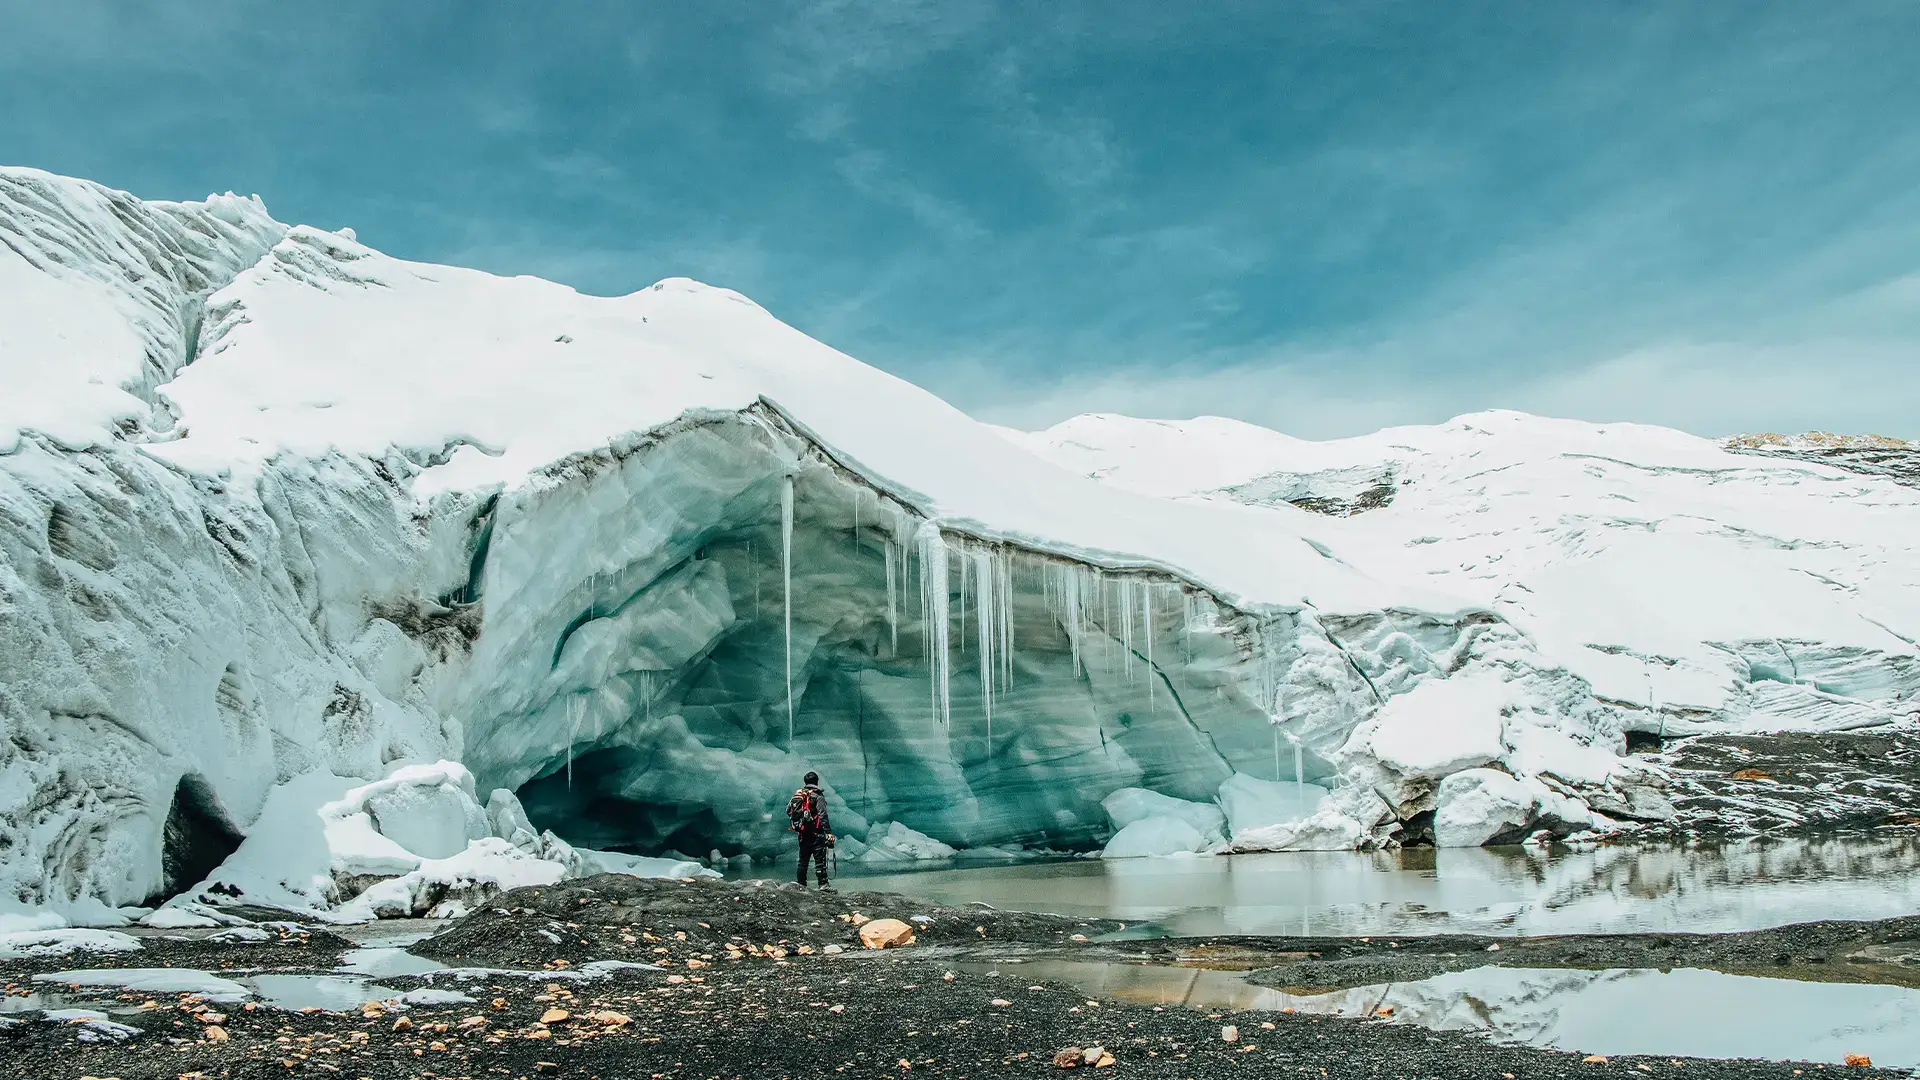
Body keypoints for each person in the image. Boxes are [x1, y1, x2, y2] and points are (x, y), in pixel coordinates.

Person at [786, 771, 833, 889]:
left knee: (803, 861)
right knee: (820, 861)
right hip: (816, 834)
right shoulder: (818, 796)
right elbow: (823, 815)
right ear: (816, 781)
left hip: (802, 834)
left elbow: (788, 810)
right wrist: (828, 833)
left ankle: (801, 884)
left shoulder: (798, 796)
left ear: (805, 782)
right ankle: (823, 885)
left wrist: (801, 823)